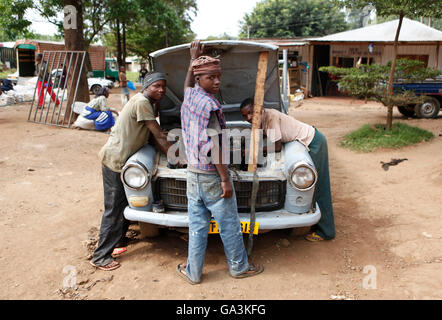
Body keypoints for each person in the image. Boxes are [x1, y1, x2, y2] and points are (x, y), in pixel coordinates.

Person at [176, 40, 264, 284]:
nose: (216, 82)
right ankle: (239, 268)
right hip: (212, 176)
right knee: (228, 224)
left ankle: (192, 272)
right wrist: (225, 179)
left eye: (218, 76)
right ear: (200, 79)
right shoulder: (211, 105)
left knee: (197, 226)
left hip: (192, 175)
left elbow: (187, 84)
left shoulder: (191, 96)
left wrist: (192, 61)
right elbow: (215, 147)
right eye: (210, 78)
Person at [90, 72, 172, 271]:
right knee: (114, 208)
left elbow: (153, 136)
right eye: (157, 86)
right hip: (115, 160)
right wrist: (176, 159)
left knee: (125, 202)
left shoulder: (149, 103)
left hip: (123, 159)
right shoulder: (142, 101)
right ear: (146, 86)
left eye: (164, 87)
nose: (161, 90)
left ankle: (117, 242)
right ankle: (100, 256)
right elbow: (157, 136)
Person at [240, 98, 335, 242]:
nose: (248, 118)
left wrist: (253, 150)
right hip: (305, 141)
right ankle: (318, 225)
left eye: (251, 113)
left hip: (313, 141)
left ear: (259, 108)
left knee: (318, 185)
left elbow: (277, 147)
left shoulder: (270, 117)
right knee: (313, 187)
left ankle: (326, 231)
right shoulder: (261, 120)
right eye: (245, 115)